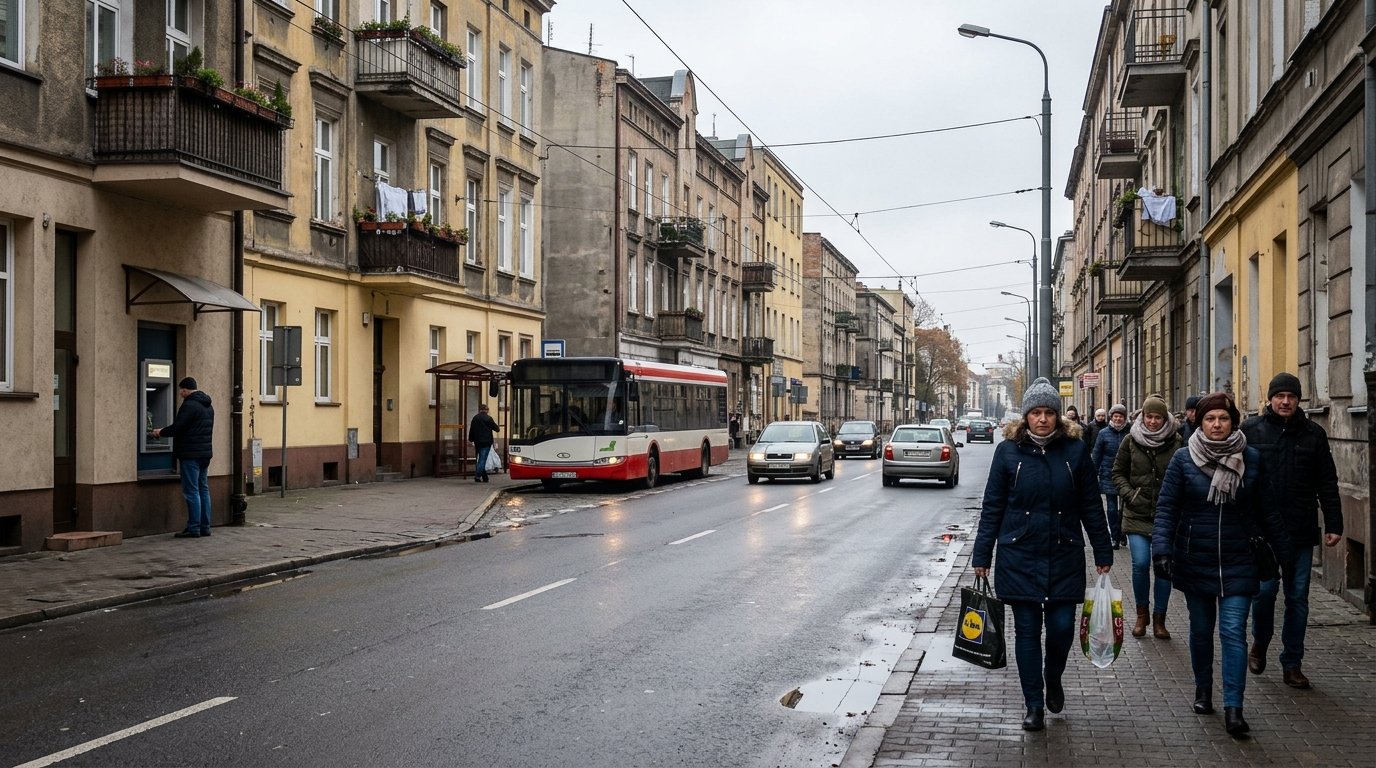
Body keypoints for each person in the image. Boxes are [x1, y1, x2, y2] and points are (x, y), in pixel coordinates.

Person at [973, 378, 1113, 732]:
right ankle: (1033, 703)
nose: (1042, 419)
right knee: (1027, 631)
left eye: (1049, 412)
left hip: (1064, 551)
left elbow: (1090, 505)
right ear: (1025, 417)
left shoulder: (1075, 451)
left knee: (1063, 628)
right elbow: (992, 507)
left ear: (1057, 417)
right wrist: (981, 555)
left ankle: (1054, 677)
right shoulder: (1007, 452)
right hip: (1018, 553)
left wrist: (1102, 547)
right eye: (1036, 412)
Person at [1152, 391, 1292, 737]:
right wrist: (1161, 551)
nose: (1217, 425)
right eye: (1210, 419)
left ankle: (1234, 707)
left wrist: (1284, 555)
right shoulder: (1184, 459)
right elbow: (1167, 508)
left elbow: (1269, 511)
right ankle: (1203, 689)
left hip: (1239, 558)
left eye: (1223, 419)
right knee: (1200, 633)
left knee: (1232, 632)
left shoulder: (1252, 459)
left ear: (1234, 422)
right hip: (1195, 556)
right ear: (1199, 422)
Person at [1241, 372, 1343, 689]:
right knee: (1265, 593)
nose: (1285, 401)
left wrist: (1334, 523)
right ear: (1270, 399)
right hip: (1263, 533)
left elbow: (1327, 481)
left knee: (1297, 598)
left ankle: (1292, 662)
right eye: (1280, 396)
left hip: (1299, 529)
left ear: (1299, 400)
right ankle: (1259, 641)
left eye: (1292, 397)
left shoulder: (1313, 434)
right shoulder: (1251, 431)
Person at [1111, 395, 1181, 640]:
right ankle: (1142, 614)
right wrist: (1130, 494)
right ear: (1143, 416)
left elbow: (1184, 474)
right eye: (1149, 416)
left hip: (1165, 515)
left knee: (1163, 567)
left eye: (1158, 417)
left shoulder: (1176, 442)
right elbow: (1117, 472)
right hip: (1136, 512)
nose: (1153, 421)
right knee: (1140, 563)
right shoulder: (1131, 440)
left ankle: (1159, 619)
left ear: (1164, 419)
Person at [151, 377, 214, 538]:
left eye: (180, 390)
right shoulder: (208, 406)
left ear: (185, 390)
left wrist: (160, 432)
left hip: (190, 454)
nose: (180, 393)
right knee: (203, 489)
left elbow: (179, 427)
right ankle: (205, 526)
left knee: (191, 491)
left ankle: (194, 528)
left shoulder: (189, 405)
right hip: (204, 454)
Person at [1091, 404, 1131, 548]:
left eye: (1120, 416)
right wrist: (1092, 473)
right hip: (1108, 474)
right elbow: (1097, 454)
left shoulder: (1131, 432)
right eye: (1115, 416)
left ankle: (1123, 534)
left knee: (1125, 508)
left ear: (1124, 417)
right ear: (1111, 417)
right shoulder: (1104, 433)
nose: (1118, 418)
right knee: (1112, 508)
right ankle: (1114, 536)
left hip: (1127, 475)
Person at [469, 403, 499, 483]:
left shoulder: (475, 418)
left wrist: (471, 439)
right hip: (486, 442)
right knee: (482, 459)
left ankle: (485, 477)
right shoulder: (488, 418)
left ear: (480, 410)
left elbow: (471, 430)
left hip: (477, 441)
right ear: (486, 410)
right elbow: (497, 428)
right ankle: (477, 476)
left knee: (480, 459)